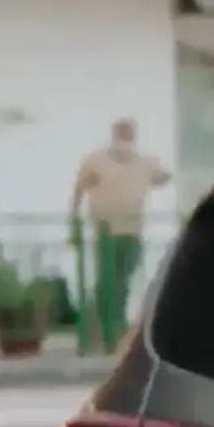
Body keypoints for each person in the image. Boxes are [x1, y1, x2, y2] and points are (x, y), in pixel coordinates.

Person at [69, 118, 168, 352]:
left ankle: (112, 327)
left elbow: (162, 177)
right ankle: (107, 330)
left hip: (133, 230)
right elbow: (79, 189)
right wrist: (74, 219)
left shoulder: (143, 162)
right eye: (122, 134)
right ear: (114, 136)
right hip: (107, 230)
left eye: (129, 134)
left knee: (124, 280)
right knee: (108, 281)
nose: (125, 139)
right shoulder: (97, 160)